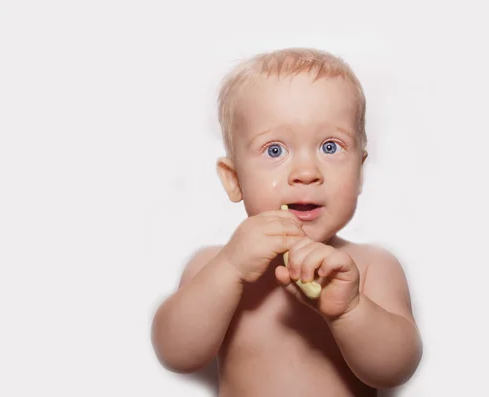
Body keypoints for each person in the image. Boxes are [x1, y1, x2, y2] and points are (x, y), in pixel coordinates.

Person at [151, 47, 423, 396]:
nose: (307, 173)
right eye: (275, 150)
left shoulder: (371, 267)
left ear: (359, 171)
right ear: (234, 179)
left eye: (329, 147)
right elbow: (176, 354)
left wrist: (350, 310)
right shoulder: (212, 266)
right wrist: (230, 267)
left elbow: (395, 369)